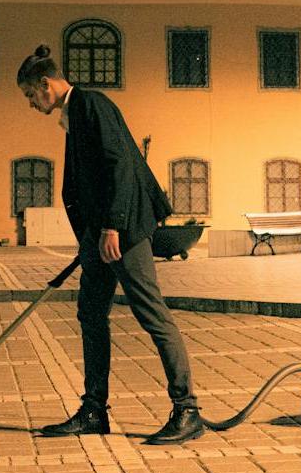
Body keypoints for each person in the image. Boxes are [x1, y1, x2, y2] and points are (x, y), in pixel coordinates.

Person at [18, 43, 203, 445]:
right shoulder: (76, 114)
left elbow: (120, 164)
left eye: (31, 95)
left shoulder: (91, 105)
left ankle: (187, 409)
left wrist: (113, 227)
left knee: (151, 312)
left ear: (45, 84)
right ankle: (93, 410)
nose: (31, 104)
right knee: (90, 314)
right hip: (101, 233)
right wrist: (91, 236)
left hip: (124, 230)